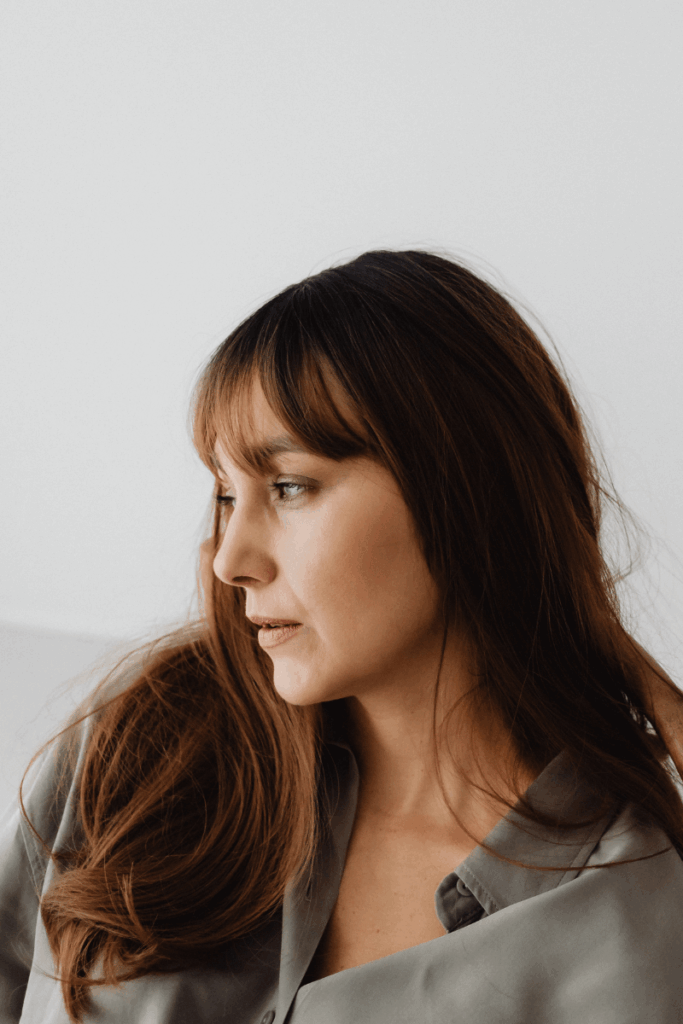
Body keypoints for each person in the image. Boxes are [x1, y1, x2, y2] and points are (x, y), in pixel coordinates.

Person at [2, 248, 683, 1024]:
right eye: (226, 494)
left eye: (289, 487)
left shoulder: (626, 916)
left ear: (463, 490)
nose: (230, 560)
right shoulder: (146, 752)